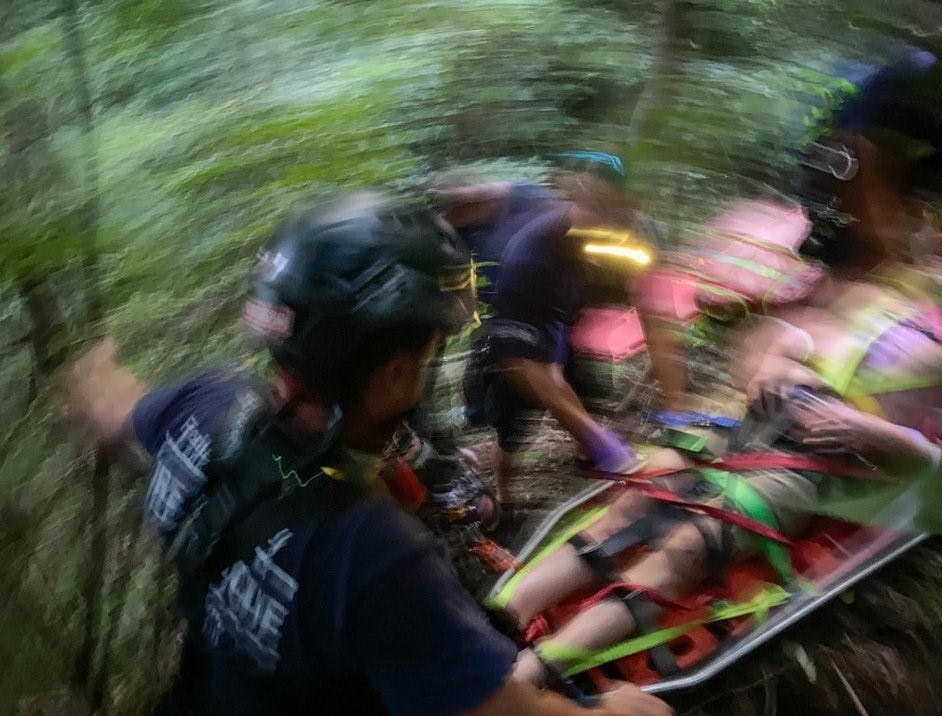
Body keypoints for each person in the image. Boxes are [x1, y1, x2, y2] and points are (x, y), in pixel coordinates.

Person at [63, 192, 671, 715]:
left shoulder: (200, 406)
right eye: (429, 353)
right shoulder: (370, 552)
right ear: (394, 372)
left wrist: (87, 363)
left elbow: (109, 412)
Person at [491, 48, 942, 685]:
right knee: (642, 493)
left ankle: (532, 676)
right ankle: (498, 618)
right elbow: (774, 327)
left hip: (835, 471)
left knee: (689, 542)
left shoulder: (929, 302)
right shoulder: (857, 278)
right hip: (770, 429)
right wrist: (778, 350)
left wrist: (892, 440)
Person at [450, 155, 651, 505]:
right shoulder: (529, 259)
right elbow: (542, 378)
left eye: (617, 213)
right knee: (514, 424)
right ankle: (502, 496)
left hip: (565, 318)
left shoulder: (612, 234)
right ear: (580, 198)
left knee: (585, 391)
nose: (608, 223)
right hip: (518, 323)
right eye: (597, 209)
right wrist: (612, 450)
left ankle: (587, 460)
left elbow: (646, 298)